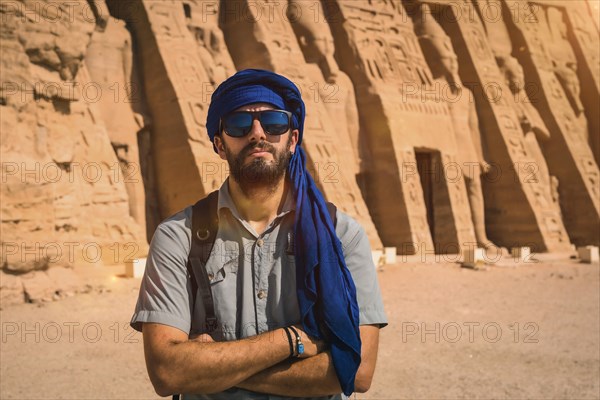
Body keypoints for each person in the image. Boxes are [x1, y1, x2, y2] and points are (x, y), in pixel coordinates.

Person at [130, 69, 387, 399]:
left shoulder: (341, 234)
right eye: (239, 124)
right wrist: (290, 341)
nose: (257, 133)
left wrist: (212, 371)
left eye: (274, 122)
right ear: (220, 145)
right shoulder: (178, 236)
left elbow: (357, 372)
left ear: (292, 140)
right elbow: (167, 372)